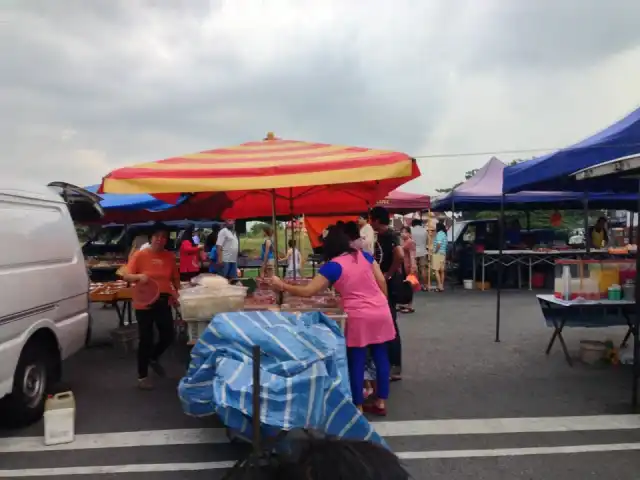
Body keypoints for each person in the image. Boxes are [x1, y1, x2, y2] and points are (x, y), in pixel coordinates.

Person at [270, 227, 394, 415]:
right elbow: (381, 282)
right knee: (381, 356)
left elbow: (308, 291)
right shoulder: (365, 257)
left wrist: (281, 285)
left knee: (356, 359)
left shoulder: (334, 266)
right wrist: (381, 302)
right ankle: (381, 402)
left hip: (358, 315)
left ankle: (358, 405)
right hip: (381, 310)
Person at [122, 223, 179, 390]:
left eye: (164, 237)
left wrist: (177, 293)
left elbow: (174, 278)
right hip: (144, 301)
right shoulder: (140, 255)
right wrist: (139, 276)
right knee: (145, 339)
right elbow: (126, 276)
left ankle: (153, 357)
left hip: (163, 300)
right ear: (151, 238)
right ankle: (142, 376)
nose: (160, 240)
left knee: (168, 335)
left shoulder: (169, 257)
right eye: (157, 236)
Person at [369, 206, 404, 382]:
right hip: (386, 282)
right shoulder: (383, 235)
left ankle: (395, 366)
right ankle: (389, 363)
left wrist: (388, 274)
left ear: (376, 220)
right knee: (387, 321)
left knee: (390, 322)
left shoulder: (390, 235)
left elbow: (400, 255)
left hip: (390, 284)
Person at [398, 227, 416, 314]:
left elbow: (412, 255)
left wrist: (413, 267)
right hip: (404, 266)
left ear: (409, 233)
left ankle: (409, 306)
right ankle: (405, 304)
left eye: (405, 232)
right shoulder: (404, 242)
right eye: (402, 232)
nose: (402, 234)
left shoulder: (410, 242)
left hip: (408, 266)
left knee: (409, 286)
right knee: (404, 285)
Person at [410, 219, 428, 290]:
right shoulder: (424, 231)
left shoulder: (411, 230)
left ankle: (416, 285)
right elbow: (427, 241)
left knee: (415, 268)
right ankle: (425, 285)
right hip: (423, 251)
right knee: (423, 269)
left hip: (414, 251)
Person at [432, 221, 448, 292]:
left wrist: (435, 251)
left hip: (438, 254)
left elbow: (438, 244)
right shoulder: (444, 234)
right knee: (442, 271)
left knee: (436, 270)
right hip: (443, 253)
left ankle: (440, 286)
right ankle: (441, 285)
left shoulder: (439, 234)